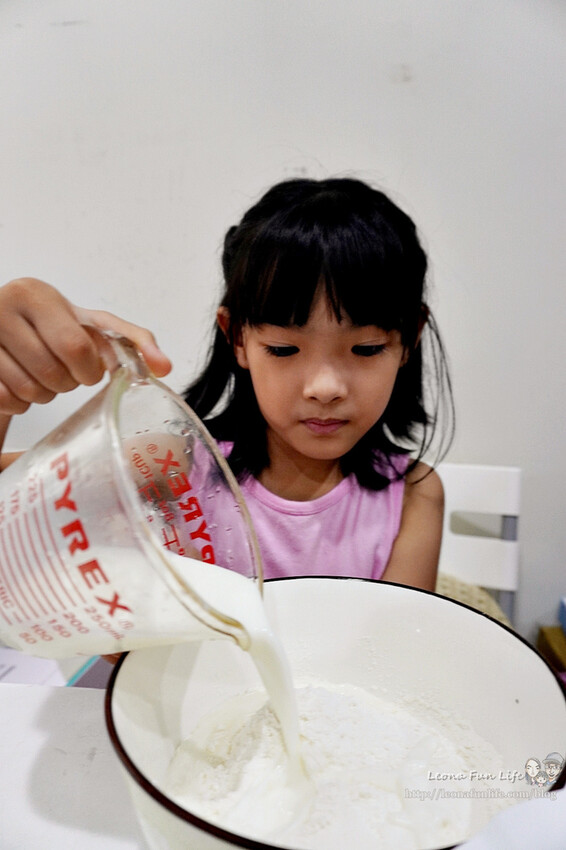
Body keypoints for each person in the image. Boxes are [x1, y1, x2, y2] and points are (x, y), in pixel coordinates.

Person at [0, 177, 453, 591]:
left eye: (367, 349)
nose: (324, 387)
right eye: (283, 349)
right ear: (237, 338)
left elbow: (396, 645)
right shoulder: (174, 465)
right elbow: (9, 502)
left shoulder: (413, 495)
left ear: (409, 339)